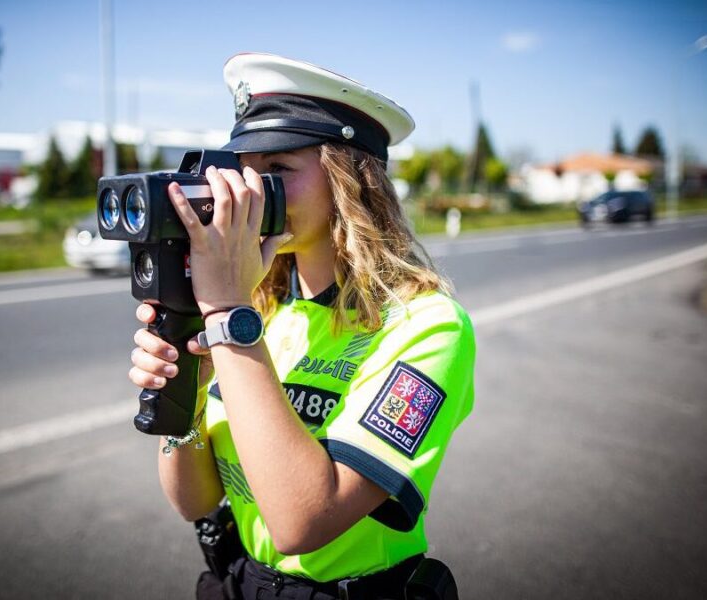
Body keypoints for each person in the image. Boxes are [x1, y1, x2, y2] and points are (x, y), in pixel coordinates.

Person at [128, 53, 475, 600]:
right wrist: (184, 397)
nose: (251, 191)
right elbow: (194, 502)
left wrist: (225, 313)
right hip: (242, 580)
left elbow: (302, 523)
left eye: (278, 170)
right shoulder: (259, 310)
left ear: (348, 179)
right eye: (245, 170)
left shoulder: (427, 326)